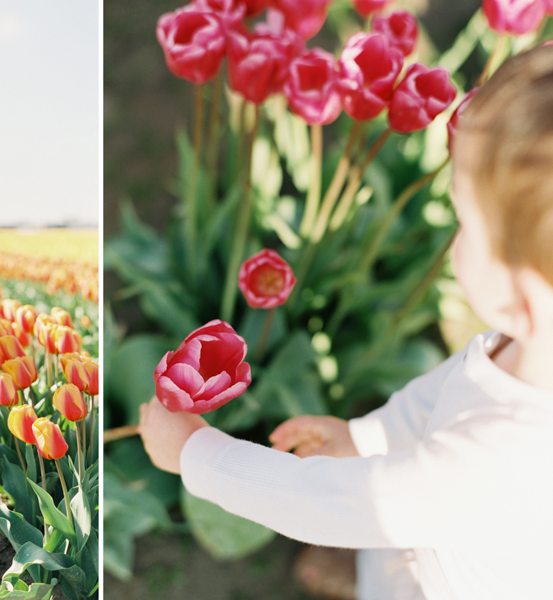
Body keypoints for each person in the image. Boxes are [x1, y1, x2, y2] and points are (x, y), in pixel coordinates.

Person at [139, 45, 553, 600]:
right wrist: (368, 436)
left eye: (464, 224)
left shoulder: (501, 466)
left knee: (404, 555)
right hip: (462, 531)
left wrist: (196, 454)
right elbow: (450, 389)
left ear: (515, 293)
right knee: (406, 541)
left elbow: (332, 503)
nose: (454, 239)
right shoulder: (529, 344)